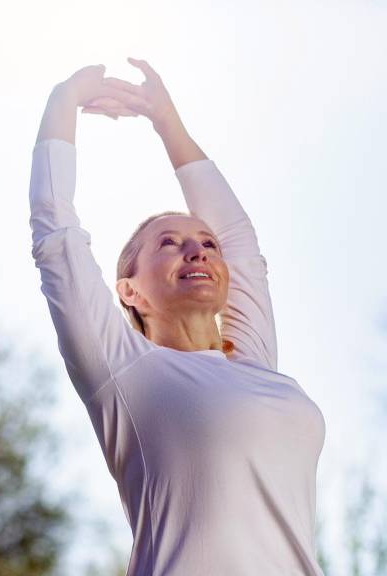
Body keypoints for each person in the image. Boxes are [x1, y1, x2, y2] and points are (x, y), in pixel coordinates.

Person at [28, 58, 327, 575]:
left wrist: (166, 120)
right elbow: (56, 235)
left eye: (207, 244)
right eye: (169, 243)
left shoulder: (254, 361)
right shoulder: (124, 370)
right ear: (130, 292)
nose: (199, 251)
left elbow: (241, 242)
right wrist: (63, 99)